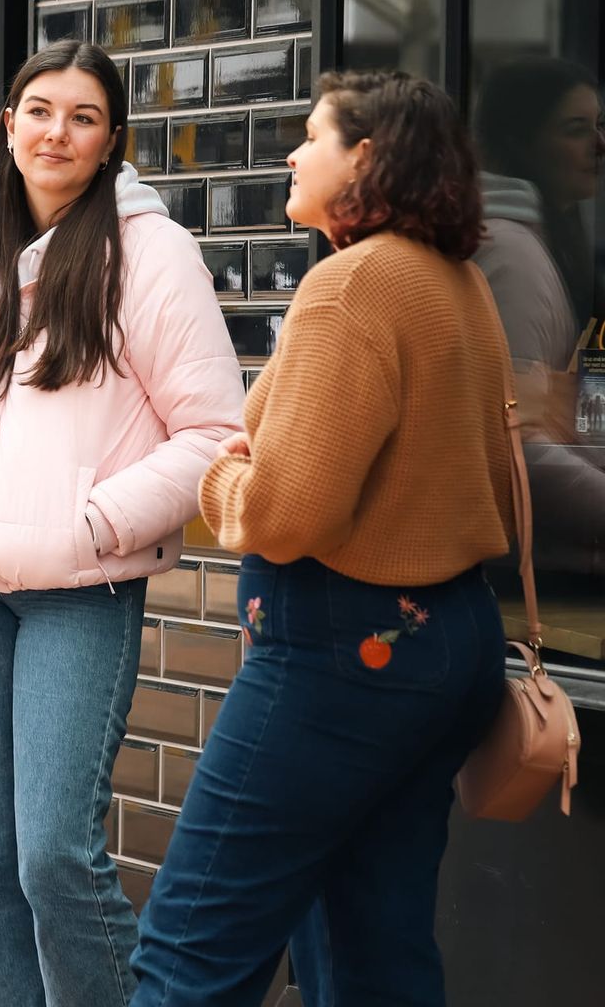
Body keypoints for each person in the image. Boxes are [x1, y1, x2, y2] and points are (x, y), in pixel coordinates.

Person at [128, 71, 516, 1007]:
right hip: (447, 645)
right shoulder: (455, 283)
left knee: (192, 945)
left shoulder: (351, 287)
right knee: (373, 951)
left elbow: (286, 513)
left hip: (344, 655)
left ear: (366, 158)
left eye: (311, 135)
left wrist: (219, 473)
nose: (292, 153)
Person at [0, 38, 243, 1005]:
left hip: (80, 588)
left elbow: (216, 433)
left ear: (111, 139)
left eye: (83, 117)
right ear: (9, 125)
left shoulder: (153, 253)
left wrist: (99, 523)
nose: (58, 132)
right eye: (40, 111)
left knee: (53, 859)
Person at [472, 58, 605, 577]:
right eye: (576, 130)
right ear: (520, 142)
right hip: (525, 578)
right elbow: (514, 444)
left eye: (599, 126)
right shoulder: (512, 254)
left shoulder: (547, 247)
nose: (598, 145)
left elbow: (580, 422)